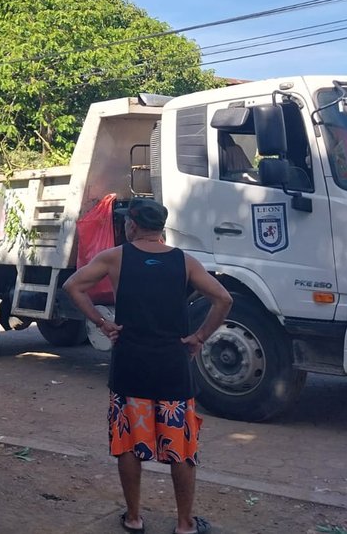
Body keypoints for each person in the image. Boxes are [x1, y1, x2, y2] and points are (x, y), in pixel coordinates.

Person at [63, 197, 232, 534]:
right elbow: (224, 299)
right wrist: (199, 336)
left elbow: (73, 286)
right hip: (173, 366)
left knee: (128, 443)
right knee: (180, 448)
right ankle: (185, 523)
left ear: (132, 226)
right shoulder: (185, 262)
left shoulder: (116, 257)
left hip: (130, 365)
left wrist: (102, 323)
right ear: (161, 228)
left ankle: (134, 518)